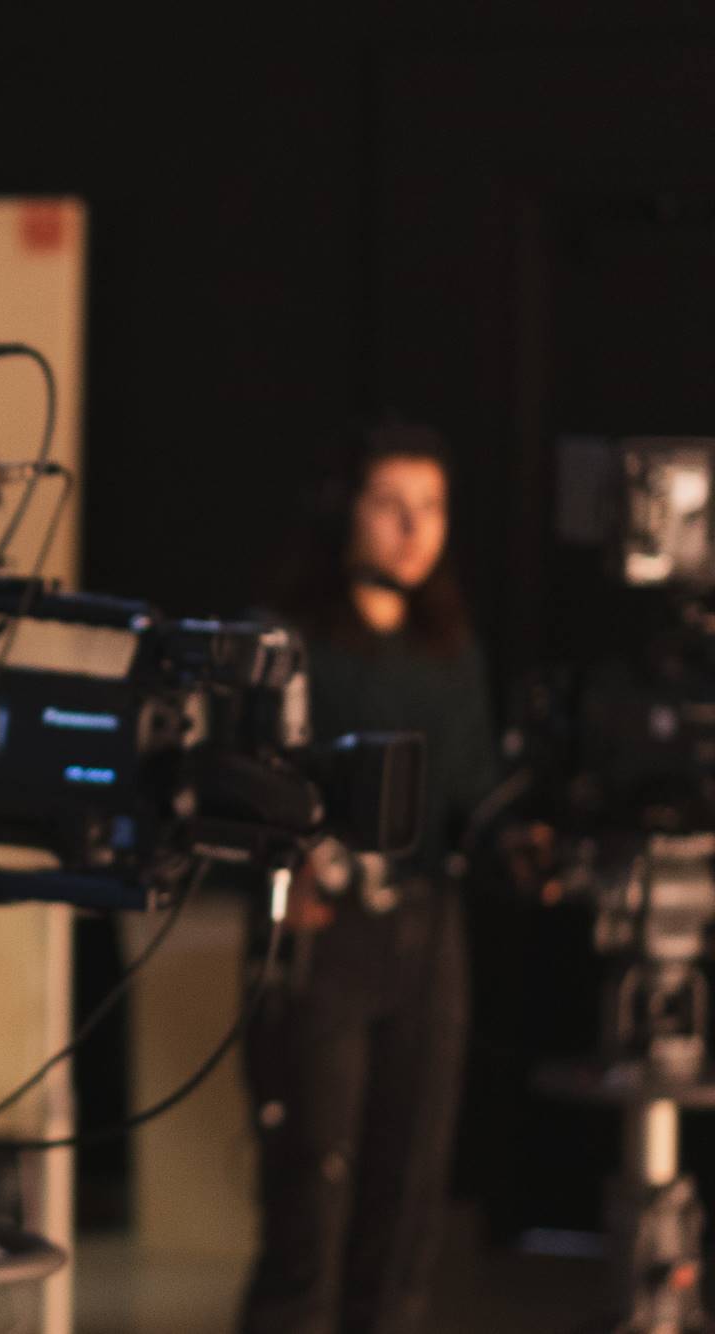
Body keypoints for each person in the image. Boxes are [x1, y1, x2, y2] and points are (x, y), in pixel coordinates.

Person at [239, 420, 500, 1334]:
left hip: (428, 934)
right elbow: (246, 777)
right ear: (344, 509)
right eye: (391, 505)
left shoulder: (450, 648)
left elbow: (469, 792)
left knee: (409, 1188)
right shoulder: (289, 639)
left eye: (430, 508)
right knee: (312, 1185)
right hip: (321, 931)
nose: (413, 528)